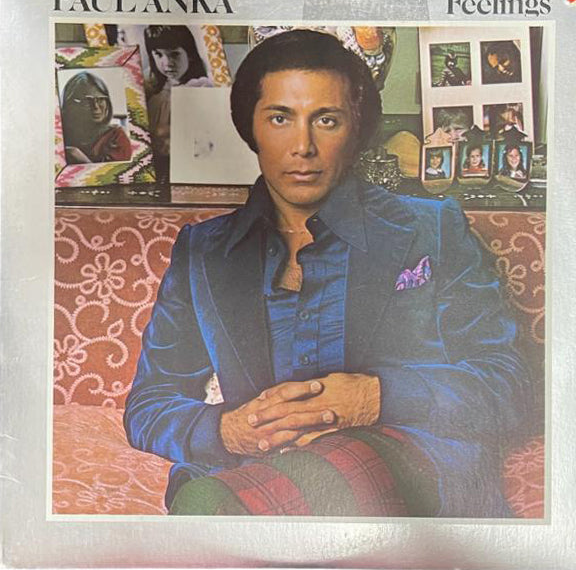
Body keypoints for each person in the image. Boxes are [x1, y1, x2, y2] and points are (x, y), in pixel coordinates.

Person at [124, 30, 530, 518]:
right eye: (280, 118)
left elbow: (510, 384)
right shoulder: (204, 252)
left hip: (405, 462)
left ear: (355, 129)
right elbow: (150, 403)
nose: (303, 146)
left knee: (224, 507)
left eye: (327, 120)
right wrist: (227, 430)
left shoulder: (431, 228)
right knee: (212, 501)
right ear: (250, 127)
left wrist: (376, 397)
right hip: (259, 474)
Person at [144, 25, 212, 176]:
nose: (167, 63)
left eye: (174, 54)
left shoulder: (201, 87)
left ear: (190, 54)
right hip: (155, 166)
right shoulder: (151, 88)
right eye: (158, 54)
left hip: (187, 165)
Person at [61, 71, 132, 165]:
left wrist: (79, 158)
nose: (96, 107)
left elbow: (118, 172)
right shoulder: (62, 135)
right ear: (71, 105)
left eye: (101, 99)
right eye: (87, 101)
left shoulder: (115, 137)